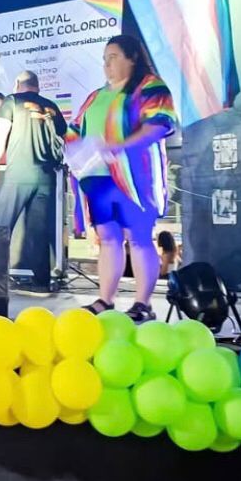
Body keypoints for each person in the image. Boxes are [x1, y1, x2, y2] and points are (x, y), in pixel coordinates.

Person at [66, 34, 178, 322]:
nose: (107, 64)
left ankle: (142, 304)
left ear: (133, 58)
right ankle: (105, 300)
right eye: (104, 59)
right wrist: (74, 150)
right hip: (97, 178)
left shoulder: (149, 86)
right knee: (108, 238)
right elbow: (75, 129)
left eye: (113, 57)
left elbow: (159, 125)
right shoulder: (95, 96)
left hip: (134, 178)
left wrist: (120, 146)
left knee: (138, 238)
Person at [0, 71, 67, 296]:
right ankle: (40, 284)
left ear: (17, 84)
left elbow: (0, 135)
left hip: (19, 174)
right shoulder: (52, 107)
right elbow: (64, 138)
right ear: (37, 86)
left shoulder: (12, 101)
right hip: (46, 177)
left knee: (2, 227)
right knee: (38, 231)